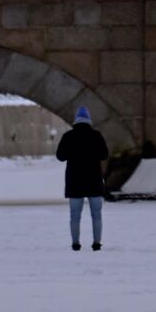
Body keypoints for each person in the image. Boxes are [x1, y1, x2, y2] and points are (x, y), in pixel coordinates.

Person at [56, 106, 108, 252]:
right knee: (96, 215)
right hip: (94, 181)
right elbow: (104, 155)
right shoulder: (96, 136)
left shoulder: (68, 136)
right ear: (89, 121)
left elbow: (60, 157)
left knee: (74, 215)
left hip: (75, 182)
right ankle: (97, 244)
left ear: (76, 121)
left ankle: (75, 244)